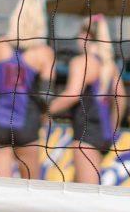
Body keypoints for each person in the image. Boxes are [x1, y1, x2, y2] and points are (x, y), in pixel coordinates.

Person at [0, 0, 53, 178]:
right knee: (31, 186)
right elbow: (46, 97)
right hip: (27, 123)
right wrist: (44, 119)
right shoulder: (44, 53)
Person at [48, 15, 123, 184]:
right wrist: (113, 128)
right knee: (81, 189)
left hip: (86, 135)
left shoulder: (82, 62)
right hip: (104, 135)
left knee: (86, 196)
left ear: (86, 36)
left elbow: (72, 95)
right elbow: (121, 99)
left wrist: (45, 110)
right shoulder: (110, 65)